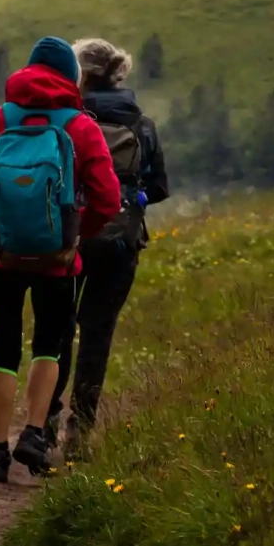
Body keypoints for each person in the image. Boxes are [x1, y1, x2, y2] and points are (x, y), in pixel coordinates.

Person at [0, 36, 121, 482]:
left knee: (4, 350)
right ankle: (32, 433)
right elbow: (107, 197)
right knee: (49, 345)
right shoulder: (81, 126)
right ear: (71, 77)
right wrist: (76, 233)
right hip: (58, 261)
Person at [45, 38, 170, 458]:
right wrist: (128, 200)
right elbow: (158, 188)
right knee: (96, 334)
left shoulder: (69, 120)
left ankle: (43, 424)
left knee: (58, 330)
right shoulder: (142, 125)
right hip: (120, 243)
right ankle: (80, 433)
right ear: (118, 72)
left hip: (69, 237)